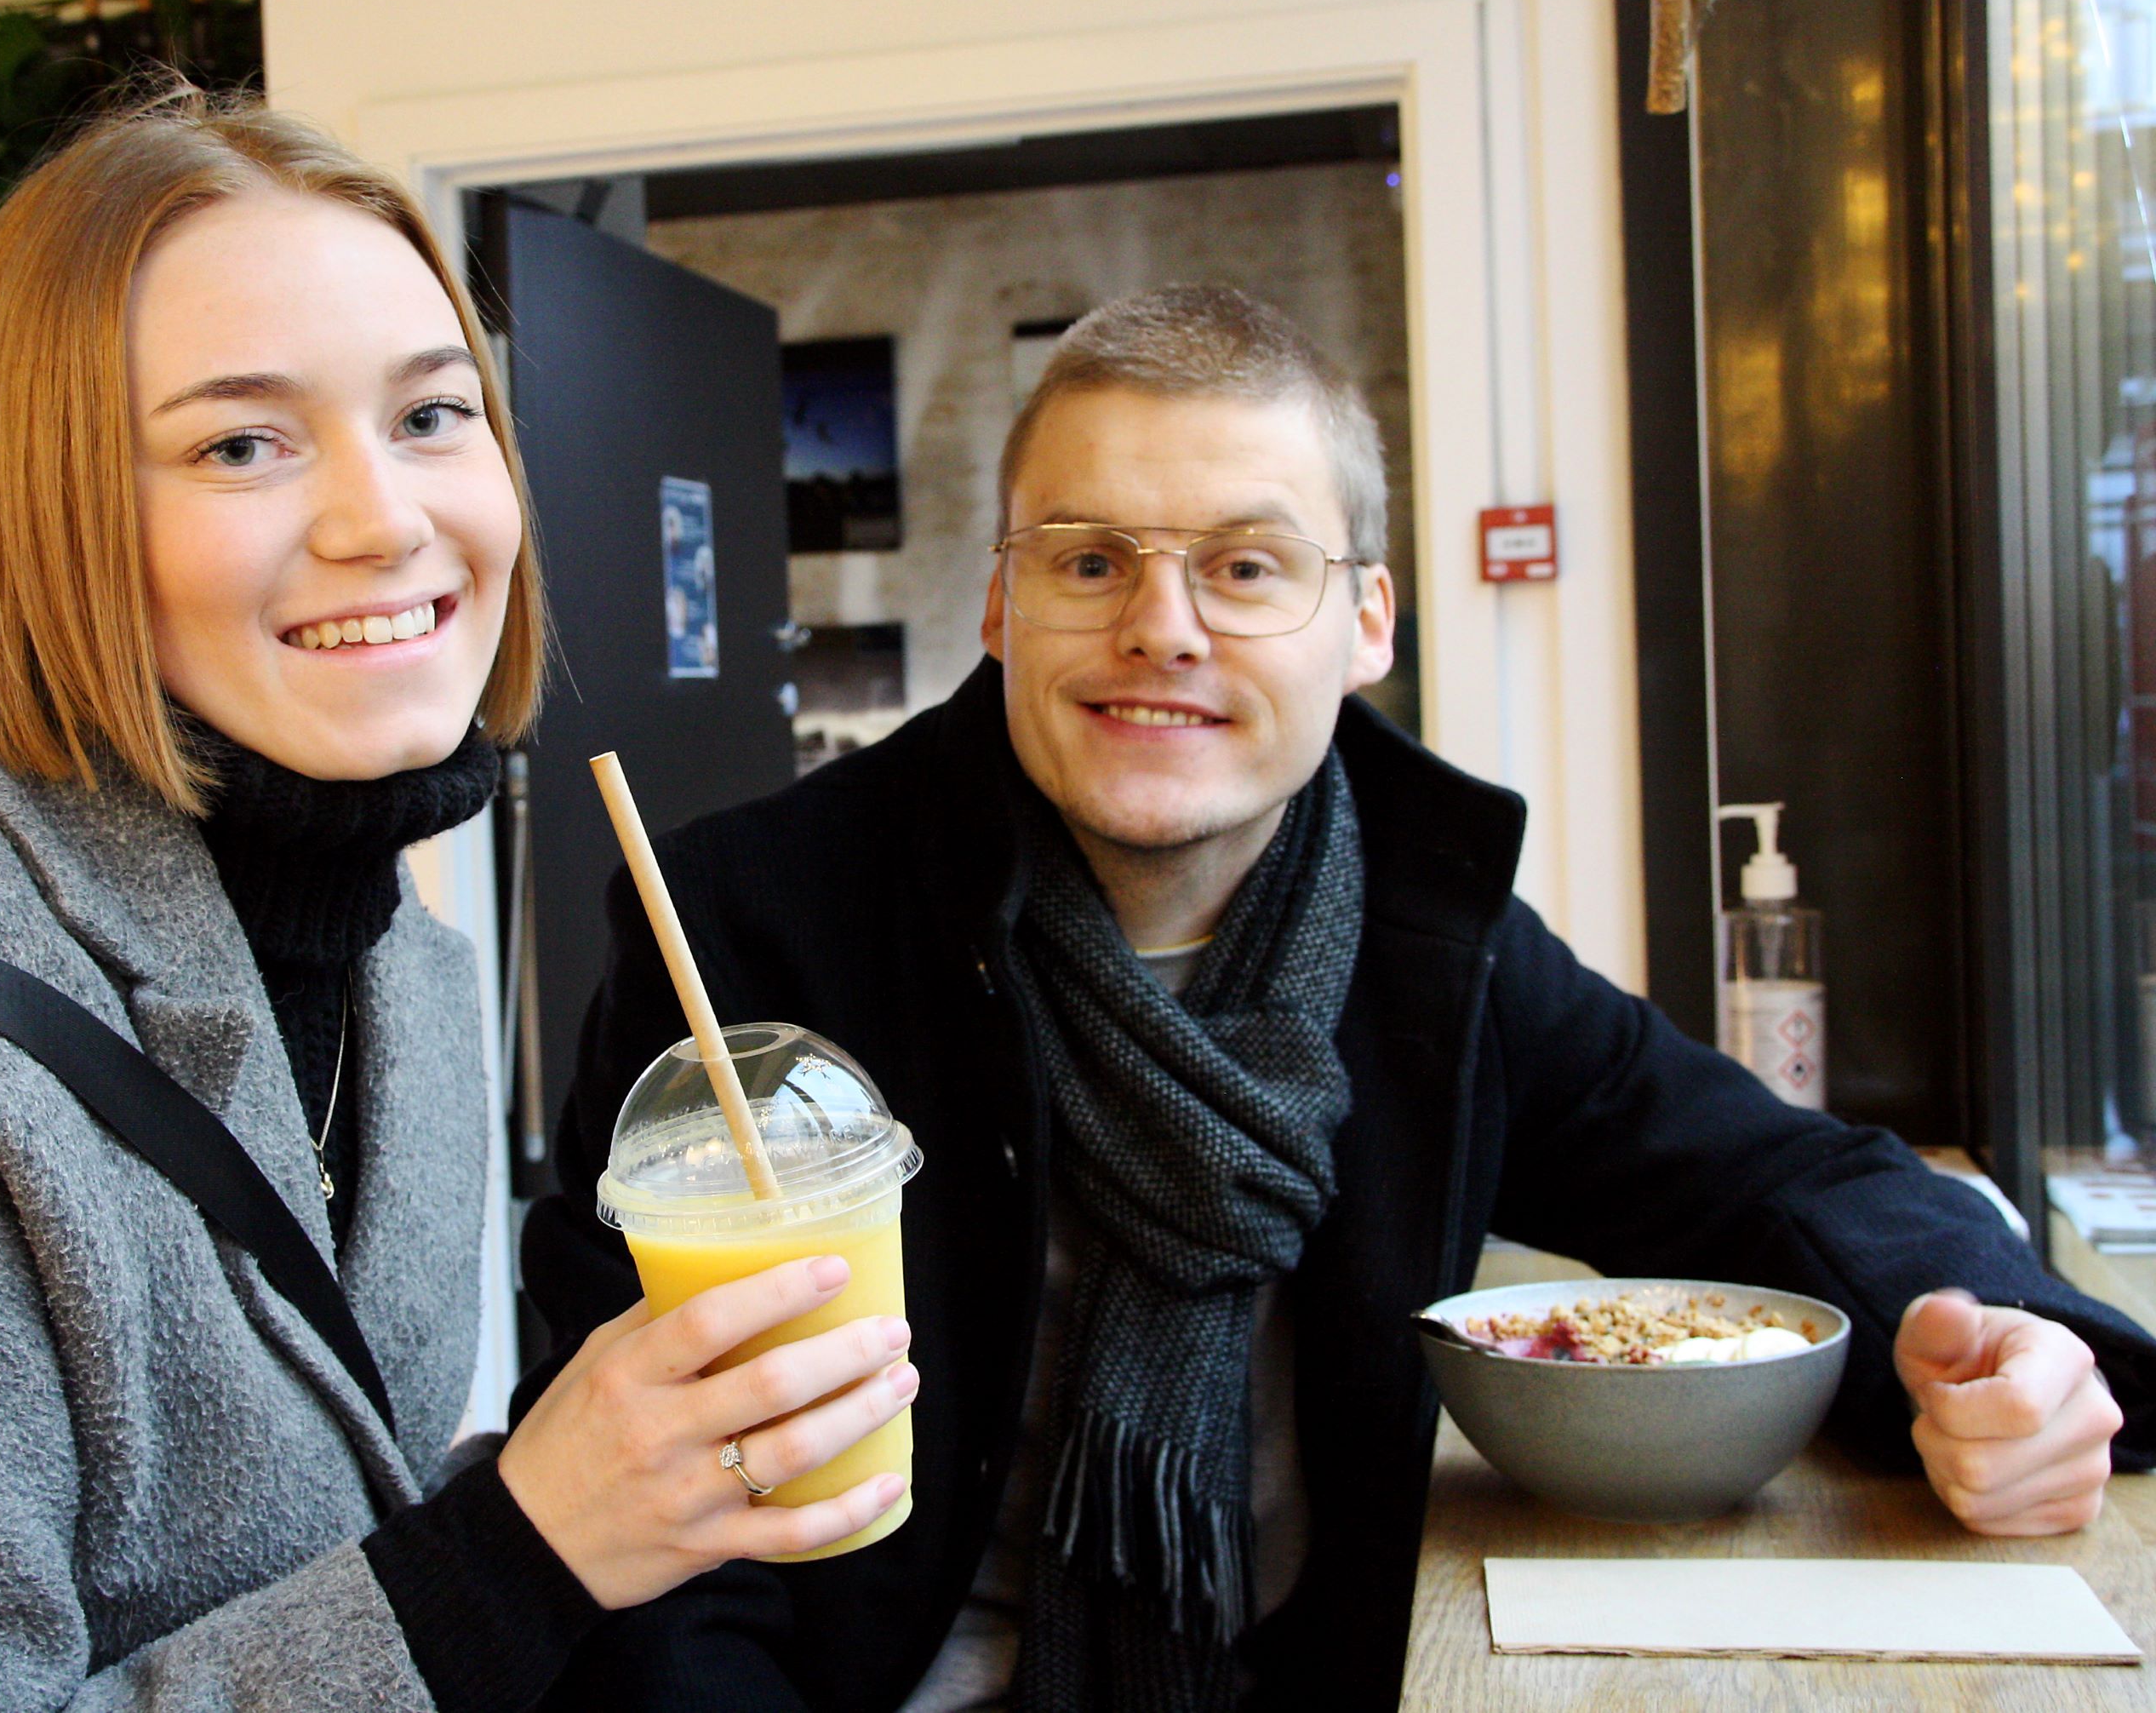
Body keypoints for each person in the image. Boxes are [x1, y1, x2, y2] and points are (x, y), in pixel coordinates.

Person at [518, 285, 2156, 1711]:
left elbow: (1787, 1179)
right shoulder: (751, 923)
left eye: (1246, 565)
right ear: (1002, 604)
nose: (1162, 627)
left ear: (1365, 621)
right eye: (1091, 558)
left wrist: (2004, 1349)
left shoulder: (1431, 941)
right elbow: (639, 1510)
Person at [0, 91, 913, 1713]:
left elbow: (266, 1524)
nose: (387, 519)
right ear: (61, 511)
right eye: (241, 442)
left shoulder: (402, 970)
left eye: (434, 415)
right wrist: (521, 1547)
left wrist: (577, 1509)